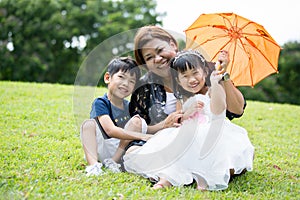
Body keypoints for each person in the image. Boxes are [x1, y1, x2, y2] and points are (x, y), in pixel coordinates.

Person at [123, 50, 255, 190]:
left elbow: (219, 110)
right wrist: (187, 113)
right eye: (185, 76)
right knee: (175, 149)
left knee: (212, 150)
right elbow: (179, 119)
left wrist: (217, 81)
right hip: (187, 134)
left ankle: (202, 179)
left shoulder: (212, 88)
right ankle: (165, 180)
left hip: (213, 132)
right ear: (178, 80)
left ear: (204, 71)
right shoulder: (181, 96)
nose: (191, 80)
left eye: (195, 73)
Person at [126, 25, 246, 151]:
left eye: (160, 50)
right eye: (149, 57)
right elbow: (137, 127)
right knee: (132, 151)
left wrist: (222, 76)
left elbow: (237, 110)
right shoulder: (143, 88)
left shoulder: (203, 70)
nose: (158, 58)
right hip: (163, 141)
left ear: (172, 44)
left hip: (204, 138)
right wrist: (164, 125)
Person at [80, 56, 151, 176]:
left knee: (137, 121)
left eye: (131, 81)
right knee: (88, 125)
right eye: (121, 77)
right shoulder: (101, 102)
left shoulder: (129, 106)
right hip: (103, 146)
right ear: (108, 78)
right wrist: (142, 136)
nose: (125, 84)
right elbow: (110, 130)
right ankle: (93, 166)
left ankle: (113, 162)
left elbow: (145, 128)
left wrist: (164, 125)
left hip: (121, 150)